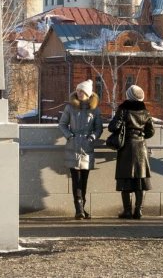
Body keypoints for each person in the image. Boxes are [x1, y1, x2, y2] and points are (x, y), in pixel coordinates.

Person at [107, 85, 155, 219]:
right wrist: (140, 136)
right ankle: (138, 210)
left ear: (129, 96)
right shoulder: (146, 112)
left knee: (126, 179)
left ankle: (127, 210)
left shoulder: (123, 110)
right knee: (141, 180)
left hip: (126, 147)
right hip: (141, 147)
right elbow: (151, 131)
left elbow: (113, 127)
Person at [59, 79, 103, 220]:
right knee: (76, 179)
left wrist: (92, 138)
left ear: (88, 93)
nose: (79, 93)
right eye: (77, 91)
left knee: (84, 180)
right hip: (73, 147)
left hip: (87, 148)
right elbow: (62, 124)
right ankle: (79, 209)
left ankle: (82, 208)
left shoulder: (95, 109)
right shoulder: (70, 107)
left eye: (82, 91)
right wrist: (70, 136)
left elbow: (99, 128)